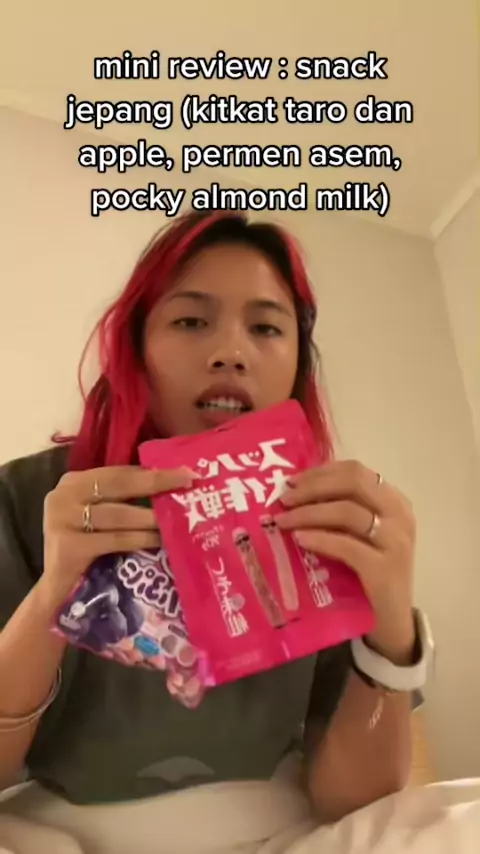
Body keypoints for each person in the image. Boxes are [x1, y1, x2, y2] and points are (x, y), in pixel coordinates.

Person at [0, 210, 434, 853]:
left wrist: (393, 625)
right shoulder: (31, 498)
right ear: (135, 347)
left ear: (298, 365)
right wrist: (53, 596)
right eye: (190, 321)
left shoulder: (326, 520)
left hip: (280, 824)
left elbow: (354, 803)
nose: (231, 351)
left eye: (266, 328)